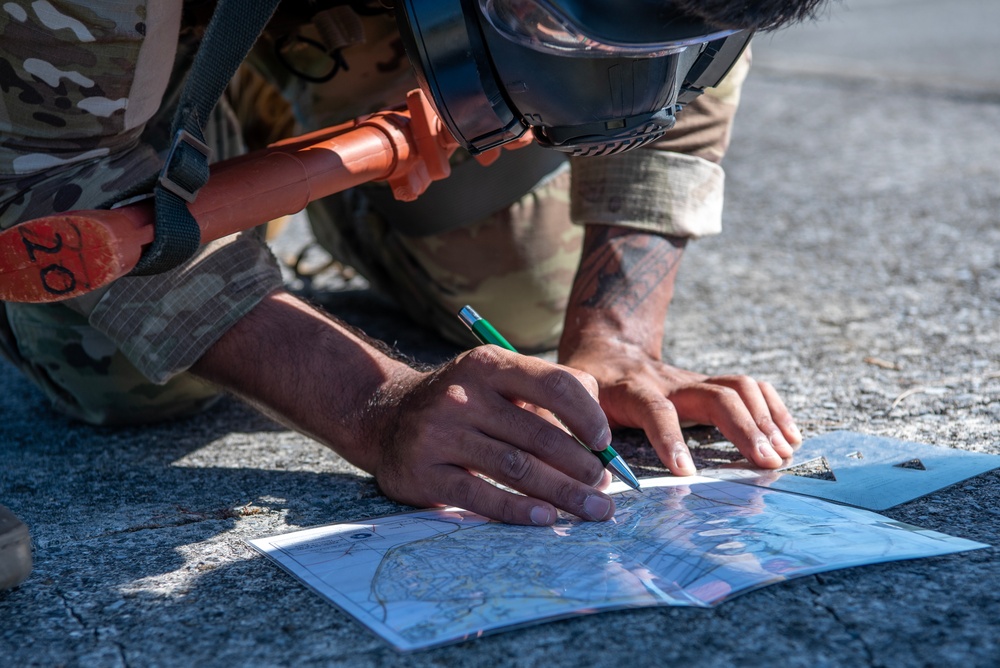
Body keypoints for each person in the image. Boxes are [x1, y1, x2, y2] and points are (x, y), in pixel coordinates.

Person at [0, 0, 830, 558]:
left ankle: (305, 175)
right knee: (123, 374)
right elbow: (60, 173)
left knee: (521, 295)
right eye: (554, 18)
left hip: (364, 33)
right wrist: (375, 404)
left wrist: (615, 336)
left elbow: (685, 54)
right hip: (120, 60)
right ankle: (209, 147)